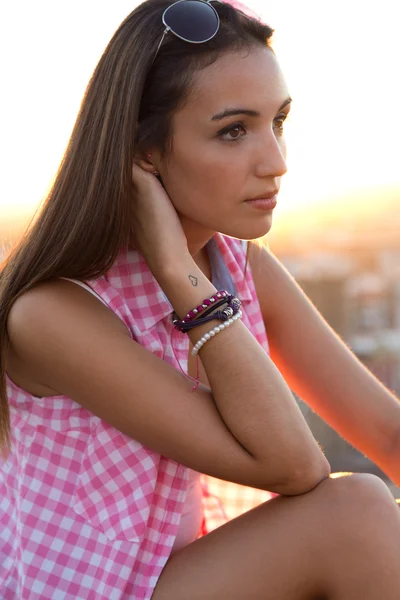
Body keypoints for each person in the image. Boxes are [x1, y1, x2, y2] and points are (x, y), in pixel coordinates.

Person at [1, 0, 400, 598]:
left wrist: (191, 271)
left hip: (185, 579)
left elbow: (388, 435)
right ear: (145, 152)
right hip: (90, 590)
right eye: (233, 130)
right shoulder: (54, 313)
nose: (277, 162)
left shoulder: (241, 266)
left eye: (278, 122)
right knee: (355, 511)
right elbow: (294, 468)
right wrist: (175, 269)